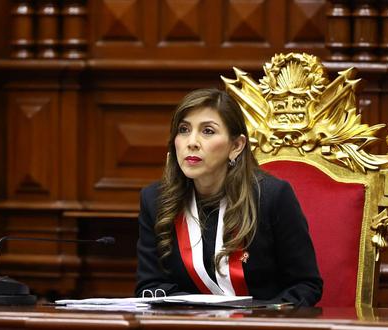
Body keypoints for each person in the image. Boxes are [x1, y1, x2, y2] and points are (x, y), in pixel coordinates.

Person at [135, 88, 322, 306]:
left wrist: (262, 319)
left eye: (208, 131)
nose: (192, 142)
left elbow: (305, 285)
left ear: (236, 146)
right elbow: (149, 287)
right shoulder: (155, 201)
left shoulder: (272, 197)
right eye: (184, 129)